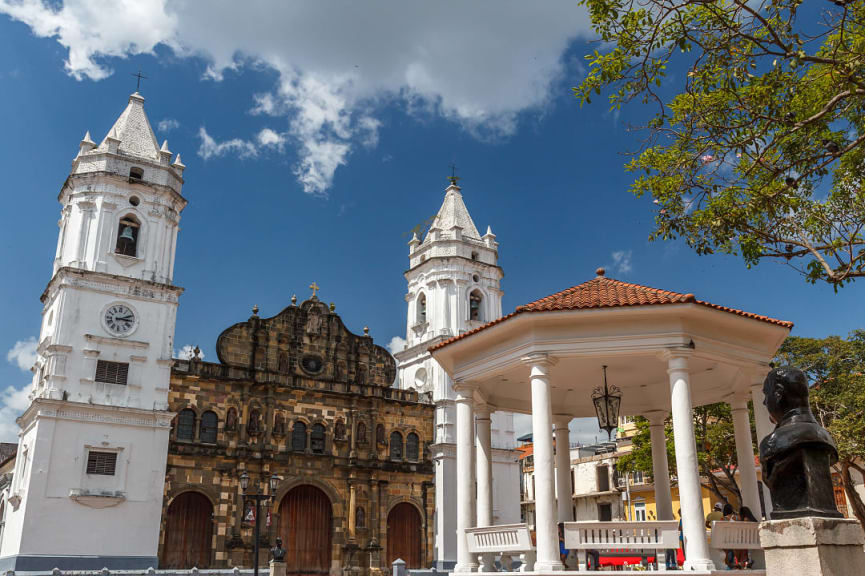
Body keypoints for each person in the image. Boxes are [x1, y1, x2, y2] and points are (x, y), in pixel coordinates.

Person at [721, 503, 738, 569]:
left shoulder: (722, 519)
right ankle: (734, 564)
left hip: (725, 540)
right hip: (734, 539)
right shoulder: (735, 519)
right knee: (733, 550)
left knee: (727, 551)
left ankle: (727, 565)